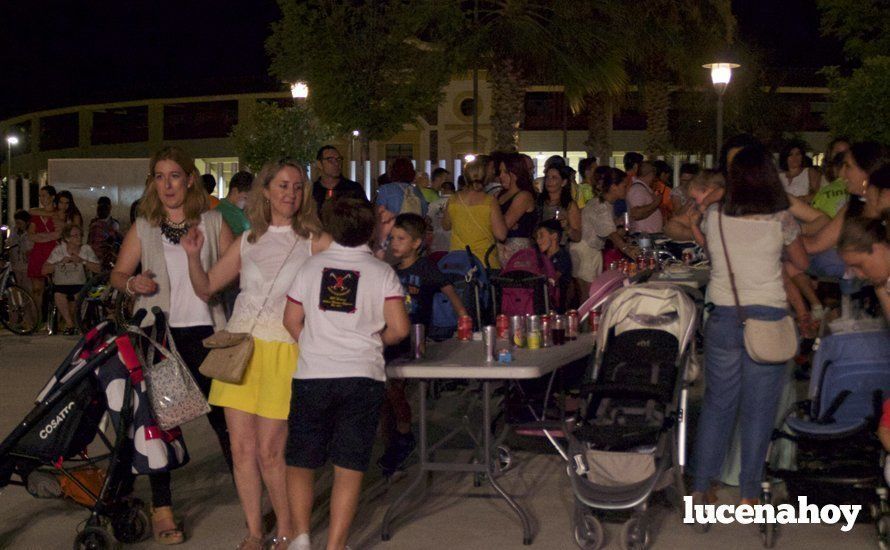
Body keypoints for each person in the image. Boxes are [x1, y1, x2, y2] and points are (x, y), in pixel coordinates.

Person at [181, 159, 328, 550]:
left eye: (297, 187)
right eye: (282, 186)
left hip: (282, 351)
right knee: (241, 449)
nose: (290, 194)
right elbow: (207, 287)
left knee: (270, 450)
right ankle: (254, 531)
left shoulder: (314, 238)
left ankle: (285, 527)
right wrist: (193, 256)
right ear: (265, 190)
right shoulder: (249, 239)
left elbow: (353, 265)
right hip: (239, 350)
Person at [110, 146, 233, 544]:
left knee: (225, 421)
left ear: (190, 179)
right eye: (159, 177)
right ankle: (162, 507)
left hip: (207, 333)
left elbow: (236, 272)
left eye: (174, 176)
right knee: (161, 423)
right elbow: (118, 273)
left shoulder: (213, 222)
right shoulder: (145, 226)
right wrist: (132, 284)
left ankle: (254, 502)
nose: (167, 184)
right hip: (160, 337)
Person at [283, 197, 410, 550]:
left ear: (328, 229)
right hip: (362, 376)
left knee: (301, 459)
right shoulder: (382, 272)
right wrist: (367, 343)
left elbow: (291, 321)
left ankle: (301, 537)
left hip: (313, 374)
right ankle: (336, 545)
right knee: (349, 463)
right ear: (370, 229)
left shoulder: (310, 268)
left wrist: (315, 342)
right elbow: (399, 329)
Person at [691, 144, 810, 510]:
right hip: (769, 319)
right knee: (759, 410)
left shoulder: (714, 216)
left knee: (717, 406)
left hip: (725, 317)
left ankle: (701, 487)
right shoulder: (781, 218)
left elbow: (715, 260)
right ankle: (748, 492)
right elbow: (802, 263)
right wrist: (776, 270)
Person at [379, 213, 467, 475]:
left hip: (412, 339)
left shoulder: (426, 269)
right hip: (389, 337)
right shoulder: (389, 270)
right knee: (384, 394)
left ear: (417, 243)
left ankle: (404, 434)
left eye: (401, 238)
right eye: (392, 238)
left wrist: (463, 316)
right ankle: (391, 443)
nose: (395, 243)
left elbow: (449, 290)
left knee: (396, 388)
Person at [577, 169, 638, 291]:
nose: (627, 189)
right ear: (614, 187)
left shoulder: (606, 204)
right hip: (587, 252)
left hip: (591, 252)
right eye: (624, 186)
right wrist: (627, 249)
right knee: (590, 297)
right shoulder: (601, 206)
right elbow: (610, 232)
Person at [442, 159, 508, 269]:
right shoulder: (490, 201)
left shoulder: (453, 200)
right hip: (484, 262)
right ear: (485, 177)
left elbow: (445, 226)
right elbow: (501, 234)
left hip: (458, 262)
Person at [41, 224, 101, 334]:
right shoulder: (59, 250)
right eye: (75, 235)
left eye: (80, 235)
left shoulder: (86, 249)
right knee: (58, 295)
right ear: (67, 238)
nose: (79, 238)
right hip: (62, 284)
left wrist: (82, 261)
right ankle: (70, 324)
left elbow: (98, 269)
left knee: (79, 296)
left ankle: (78, 322)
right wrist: (59, 263)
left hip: (80, 283)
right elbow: (44, 270)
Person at [838, 203, 890, 322]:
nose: (860, 275)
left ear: (877, 248)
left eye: (859, 265)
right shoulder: (882, 282)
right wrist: (880, 288)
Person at [497, 153, 538, 264]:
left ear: (515, 173)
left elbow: (503, 226)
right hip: (499, 250)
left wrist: (497, 221)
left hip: (517, 253)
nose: (500, 176)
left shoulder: (523, 196)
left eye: (505, 172)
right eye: (499, 171)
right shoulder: (499, 194)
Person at [27, 185, 61, 307]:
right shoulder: (36, 215)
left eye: (44, 195)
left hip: (53, 252)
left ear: (52, 197)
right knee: (37, 289)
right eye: (40, 196)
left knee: (57, 289)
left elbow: (59, 233)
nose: (41, 198)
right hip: (38, 252)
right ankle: (38, 318)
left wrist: (42, 236)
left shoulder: (58, 214)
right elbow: (31, 234)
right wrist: (47, 236)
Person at [311, 145, 367, 214]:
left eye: (339, 159)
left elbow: (365, 216)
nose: (336, 163)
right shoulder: (312, 191)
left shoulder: (353, 188)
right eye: (330, 160)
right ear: (319, 164)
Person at [534, 220, 572, 312]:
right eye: (537, 237)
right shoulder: (539, 257)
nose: (538, 240)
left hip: (557, 306)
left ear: (554, 236)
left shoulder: (562, 256)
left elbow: (552, 279)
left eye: (541, 236)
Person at [537, 163, 581, 242]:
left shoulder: (569, 205)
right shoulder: (538, 202)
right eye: (547, 177)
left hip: (560, 248)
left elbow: (577, 237)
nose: (549, 181)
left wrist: (567, 227)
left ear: (563, 182)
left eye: (554, 178)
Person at [626, 161, 664, 234]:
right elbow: (635, 214)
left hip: (647, 235)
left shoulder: (642, 188)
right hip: (642, 236)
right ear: (651, 174)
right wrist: (656, 203)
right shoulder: (637, 189)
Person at [87, 196, 122, 271]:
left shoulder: (114, 224)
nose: (103, 208)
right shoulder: (93, 223)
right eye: (101, 206)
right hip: (94, 258)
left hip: (108, 259)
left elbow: (116, 242)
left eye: (105, 206)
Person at [215, 170, 254, 236]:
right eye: (246, 198)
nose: (248, 203)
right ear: (234, 191)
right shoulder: (222, 213)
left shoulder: (240, 211)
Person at [8, 210, 33, 291]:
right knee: (16, 287)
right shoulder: (13, 230)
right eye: (17, 223)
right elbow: (9, 243)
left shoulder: (30, 232)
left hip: (27, 265)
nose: (18, 225)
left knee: (27, 287)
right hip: (15, 264)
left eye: (20, 223)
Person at [428, 180, 455, 253]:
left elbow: (428, 221)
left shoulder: (433, 204)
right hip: (454, 243)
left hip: (437, 242)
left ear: (442, 190)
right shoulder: (459, 205)